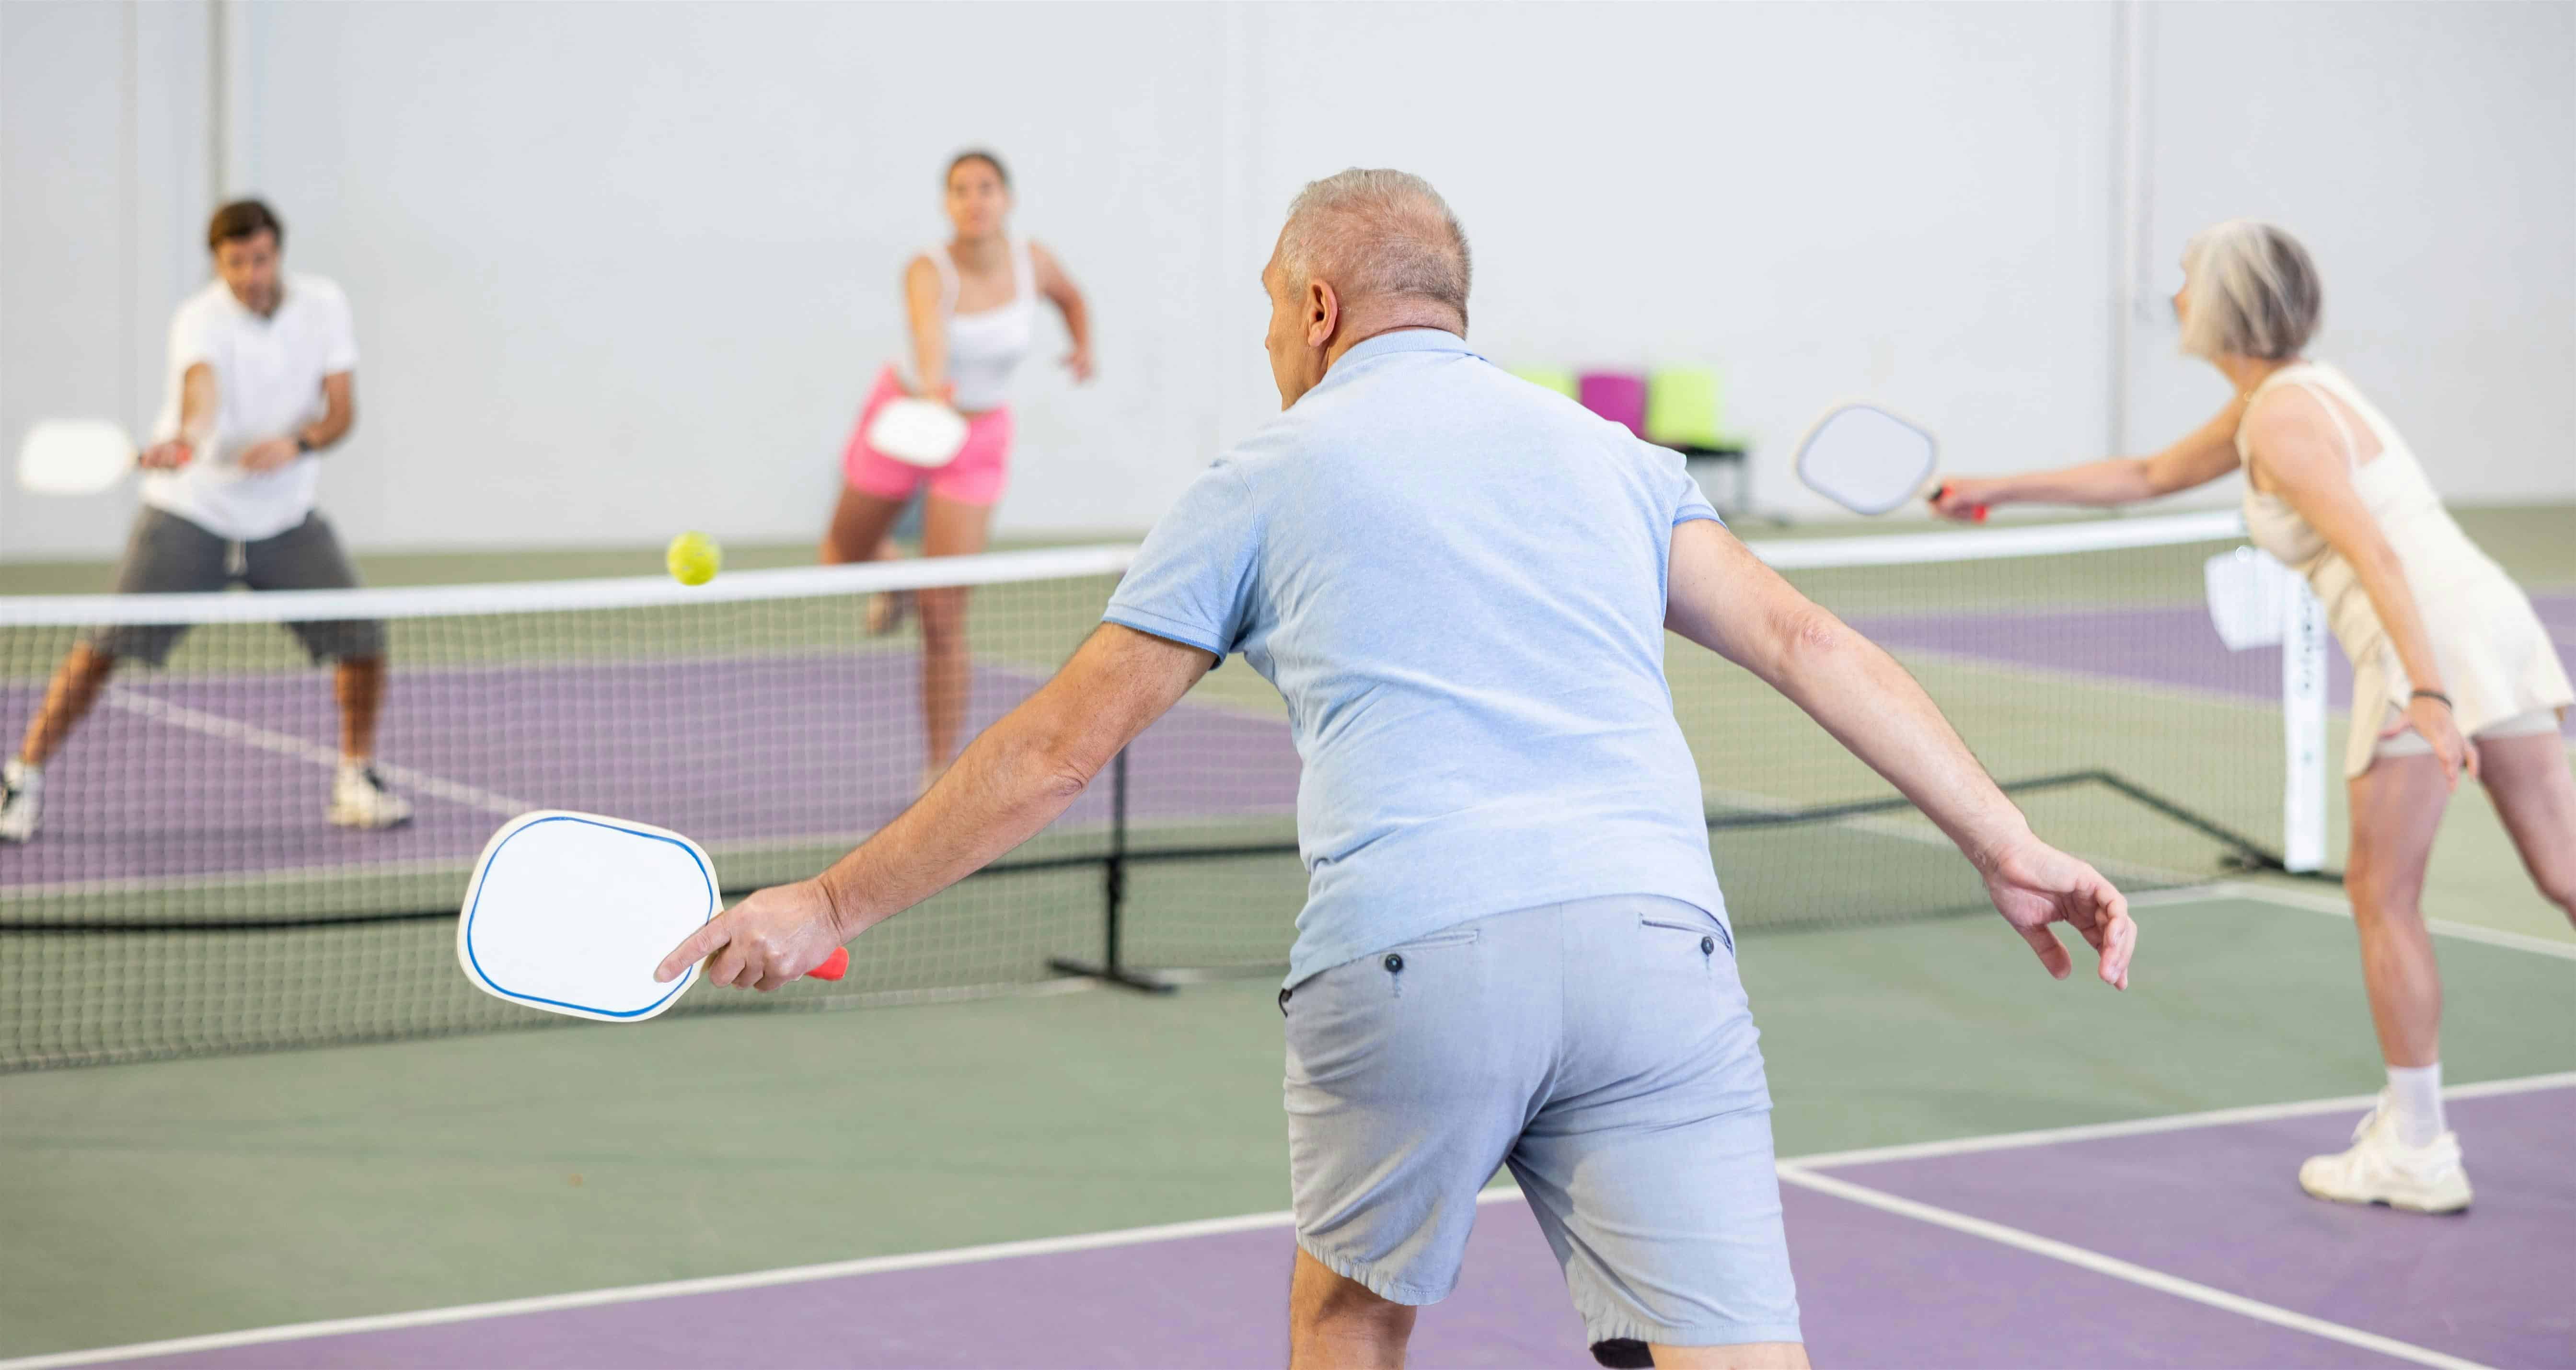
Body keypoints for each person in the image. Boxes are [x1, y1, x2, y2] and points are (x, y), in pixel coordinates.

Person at [671, 170, 2135, 1370]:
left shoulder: (1262, 473)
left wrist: (834, 905)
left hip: (1418, 955)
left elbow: (1060, 750)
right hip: (1656, 948)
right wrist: (2007, 838)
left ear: (1317, 307)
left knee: (1355, 1322)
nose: (1268, 346)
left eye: (1266, 314)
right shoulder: (1612, 455)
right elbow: (1809, 641)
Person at [1934, 220, 2574, 1214]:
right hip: (2485, 612)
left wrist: (2430, 693)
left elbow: (2377, 556)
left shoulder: (2279, 419)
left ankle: (2415, 1145)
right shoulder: (2283, 399)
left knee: (2383, 893)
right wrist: (1999, 488)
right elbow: (2145, 477)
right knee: (2566, 872)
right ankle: (2412, 1135)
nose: (2177, 295)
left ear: (2226, 304)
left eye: (2189, 280)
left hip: (2423, 642)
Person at [0, 200, 408, 844]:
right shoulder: (201, 318)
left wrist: (296, 444)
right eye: (236, 263)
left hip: (285, 515)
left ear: (279, 252)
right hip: (194, 510)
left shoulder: (323, 305)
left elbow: (340, 412)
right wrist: (187, 438)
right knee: (103, 646)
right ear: (219, 264)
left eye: (261, 258)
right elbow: (201, 392)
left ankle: (355, 779)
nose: (250, 273)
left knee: (362, 637)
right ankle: (21, 776)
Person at [822, 150, 1093, 789]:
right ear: (948, 204)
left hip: (977, 440)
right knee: (840, 556)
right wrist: (936, 382)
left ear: (1007, 198)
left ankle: (938, 771)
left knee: (945, 617)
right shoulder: (927, 267)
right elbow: (927, 330)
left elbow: (1072, 297)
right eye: (961, 190)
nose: (975, 200)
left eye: (987, 188)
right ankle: (893, 580)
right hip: (905, 419)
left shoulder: (1036, 262)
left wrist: (1083, 344)